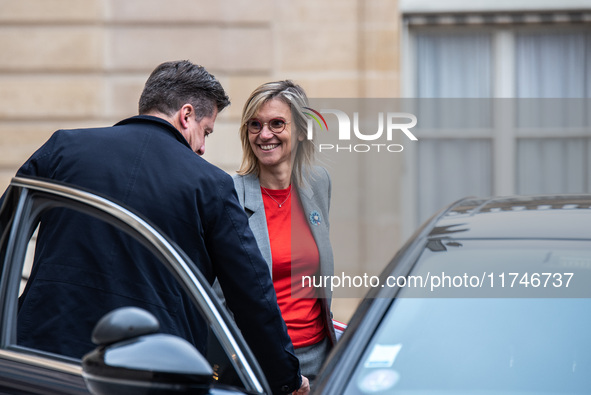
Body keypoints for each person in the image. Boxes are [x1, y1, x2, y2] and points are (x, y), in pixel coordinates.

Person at [8, 61, 308, 394]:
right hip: (152, 374)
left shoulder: (63, 148)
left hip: (38, 361)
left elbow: (6, 236)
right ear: (187, 115)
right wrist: (285, 379)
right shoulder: (211, 185)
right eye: (206, 131)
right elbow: (252, 295)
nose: (203, 147)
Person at [223, 80, 337, 381]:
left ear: (300, 131)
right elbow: (219, 298)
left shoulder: (318, 182)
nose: (264, 134)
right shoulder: (229, 195)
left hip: (321, 358)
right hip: (261, 363)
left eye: (276, 123)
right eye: (255, 124)